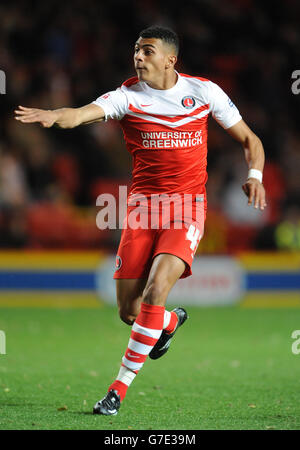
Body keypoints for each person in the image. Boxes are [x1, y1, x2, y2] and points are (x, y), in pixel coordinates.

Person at [14, 26, 267, 416]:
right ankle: (168, 324)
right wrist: (56, 116)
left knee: (155, 290)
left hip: (186, 208)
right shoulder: (127, 97)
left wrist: (255, 177)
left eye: (147, 51)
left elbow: (251, 141)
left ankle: (116, 390)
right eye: (135, 50)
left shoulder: (204, 92)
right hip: (142, 211)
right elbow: (81, 114)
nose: (138, 57)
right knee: (130, 312)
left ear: (170, 59)